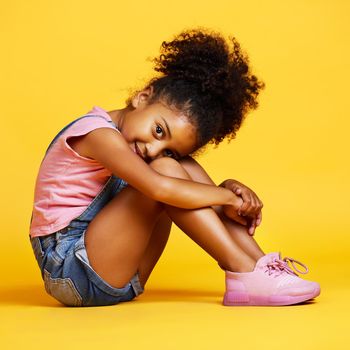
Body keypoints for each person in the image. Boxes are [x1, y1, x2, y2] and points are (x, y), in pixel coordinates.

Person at [29, 27, 321, 307]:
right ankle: (243, 272)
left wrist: (226, 188)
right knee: (166, 173)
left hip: (123, 273)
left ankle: (260, 266)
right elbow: (159, 188)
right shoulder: (97, 134)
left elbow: (175, 183)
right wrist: (227, 197)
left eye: (166, 145)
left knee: (180, 166)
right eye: (159, 130)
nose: (153, 148)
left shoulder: (142, 148)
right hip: (71, 272)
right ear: (142, 97)